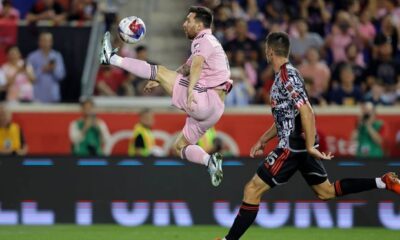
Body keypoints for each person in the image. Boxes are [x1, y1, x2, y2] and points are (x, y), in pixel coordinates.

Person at [217, 32, 400, 240]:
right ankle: (383, 182)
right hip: (299, 145)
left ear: (269, 52)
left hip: (292, 146)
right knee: (326, 192)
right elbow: (288, 116)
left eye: (265, 50)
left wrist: (311, 146)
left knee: (252, 189)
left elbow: (307, 111)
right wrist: (263, 139)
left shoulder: (287, 76)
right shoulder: (285, 76)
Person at [100, 6, 231, 187]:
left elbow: (197, 65)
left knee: (159, 70)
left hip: (203, 98)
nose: (184, 24)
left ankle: (111, 59)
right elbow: (186, 68)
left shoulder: (203, 39)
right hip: (215, 109)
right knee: (180, 147)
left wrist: (189, 89)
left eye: (188, 21)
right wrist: (161, 80)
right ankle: (209, 161)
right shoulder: (211, 42)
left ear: (200, 25)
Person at [27, 32, 65, 103]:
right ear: (39, 42)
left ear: (52, 42)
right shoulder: (32, 57)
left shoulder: (57, 56)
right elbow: (30, 78)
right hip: (37, 96)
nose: (46, 43)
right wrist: (42, 70)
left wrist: (53, 69)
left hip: (53, 96)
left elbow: (61, 76)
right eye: (43, 40)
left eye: (48, 40)